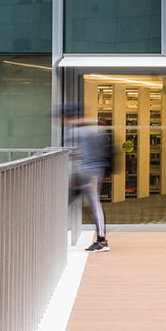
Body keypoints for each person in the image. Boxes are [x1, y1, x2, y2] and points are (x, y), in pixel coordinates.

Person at [59, 103, 112, 253]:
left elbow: (76, 153)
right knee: (91, 204)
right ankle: (101, 239)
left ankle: (102, 240)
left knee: (93, 204)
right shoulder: (93, 128)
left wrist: (73, 174)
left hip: (88, 172)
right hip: (95, 170)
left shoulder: (77, 131)